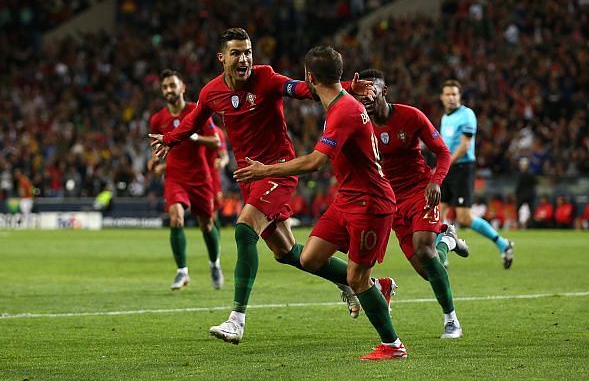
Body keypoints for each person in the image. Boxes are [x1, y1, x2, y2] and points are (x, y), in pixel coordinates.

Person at [149, 28, 377, 344]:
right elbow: (195, 121)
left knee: (244, 229)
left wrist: (348, 85)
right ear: (222, 58)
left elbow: (301, 88)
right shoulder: (211, 92)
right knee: (286, 252)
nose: (244, 59)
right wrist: (171, 140)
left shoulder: (266, 78)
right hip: (251, 175)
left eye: (248, 52)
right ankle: (359, 282)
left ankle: (236, 319)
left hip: (278, 169)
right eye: (236, 53)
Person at [235, 46, 407, 361]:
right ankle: (376, 286)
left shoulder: (343, 111)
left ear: (309, 77)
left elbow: (315, 162)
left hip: (371, 203)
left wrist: (265, 170)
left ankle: (393, 345)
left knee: (356, 277)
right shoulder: (342, 104)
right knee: (310, 257)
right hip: (347, 199)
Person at [355, 69, 467, 339]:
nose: (367, 97)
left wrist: (436, 182)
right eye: (361, 94)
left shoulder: (411, 116)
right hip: (391, 201)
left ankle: (452, 320)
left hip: (421, 191)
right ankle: (447, 241)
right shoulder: (358, 124)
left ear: (385, 91)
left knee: (423, 250)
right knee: (428, 270)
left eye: (372, 90)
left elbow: (443, 152)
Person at [148, 69, 224, 291]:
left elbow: (216, 142)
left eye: (173, 85)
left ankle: (215, 264)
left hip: (200, 177)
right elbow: (156, 151)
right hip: (175, 177)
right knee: (176, 218)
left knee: (206, 225)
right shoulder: (157, 120)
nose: (169, 90)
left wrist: (194, 136)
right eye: (165, 87)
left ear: (183, 87)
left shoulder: (197, 111)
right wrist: (153, 163)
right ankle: (182, 271)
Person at [439, 79, 514, 269]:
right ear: (442, 97)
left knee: (464, 218)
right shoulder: (445, 118)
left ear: (460, 96)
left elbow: (464, 146)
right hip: (448, 168)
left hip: (463, 168)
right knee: (437, 213)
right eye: (448, 94)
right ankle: (442, 257)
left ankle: (503, 244)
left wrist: (445, 163)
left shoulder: (467, 115)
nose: (451, 98)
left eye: (455, 94)